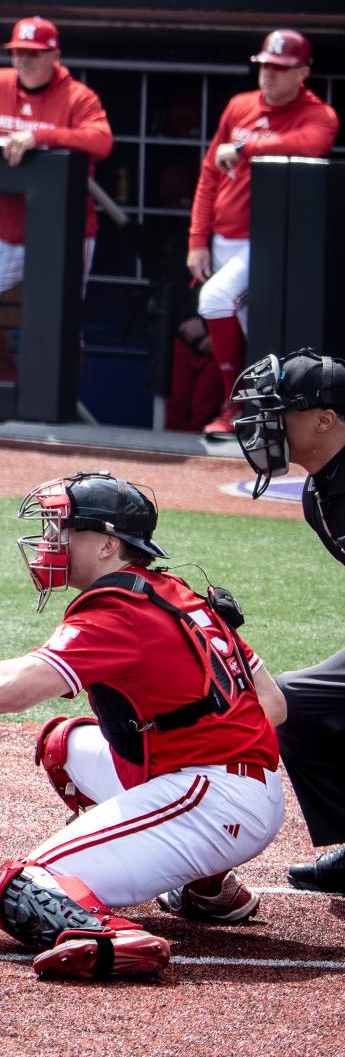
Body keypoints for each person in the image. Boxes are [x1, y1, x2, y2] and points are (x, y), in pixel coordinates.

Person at [0, 471, 286, 980]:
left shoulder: (118, 612)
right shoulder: (174, 592)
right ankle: (206, 886)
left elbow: (7, 692)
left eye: (62, 528)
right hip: (226, 785)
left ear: (106, 545)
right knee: (65, 745)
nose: (49, 541)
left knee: (22, 889)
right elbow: (272, 705)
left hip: (212, 799)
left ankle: (118, 939)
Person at [230, 349, 345, 894]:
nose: (263, 426)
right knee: (288, 704)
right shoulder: (320, 495)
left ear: (326, 419)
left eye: (279, 411)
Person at [0, 17, 113, 380]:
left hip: (64, 229)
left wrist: (42, 135)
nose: (25, 61)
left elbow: (101, 141)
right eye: (19, 52)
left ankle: (61, 398)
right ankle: (8, 376)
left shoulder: (78, 96)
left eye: (35, 54)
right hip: (6, 228)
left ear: (55, 55)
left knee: (61, 319)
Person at [188, 31, 338, 439]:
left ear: (303, 72)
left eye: (281, 68)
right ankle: (266, 416)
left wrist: (246, 149)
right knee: (254, 331)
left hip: (269, 242)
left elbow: (311, 144)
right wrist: (197, 237)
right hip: (223, 235)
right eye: (265, 66)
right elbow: (209, 174)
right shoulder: (240, 105)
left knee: (215, 299)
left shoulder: (318, 112)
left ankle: (233, 405)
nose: (269, 75)